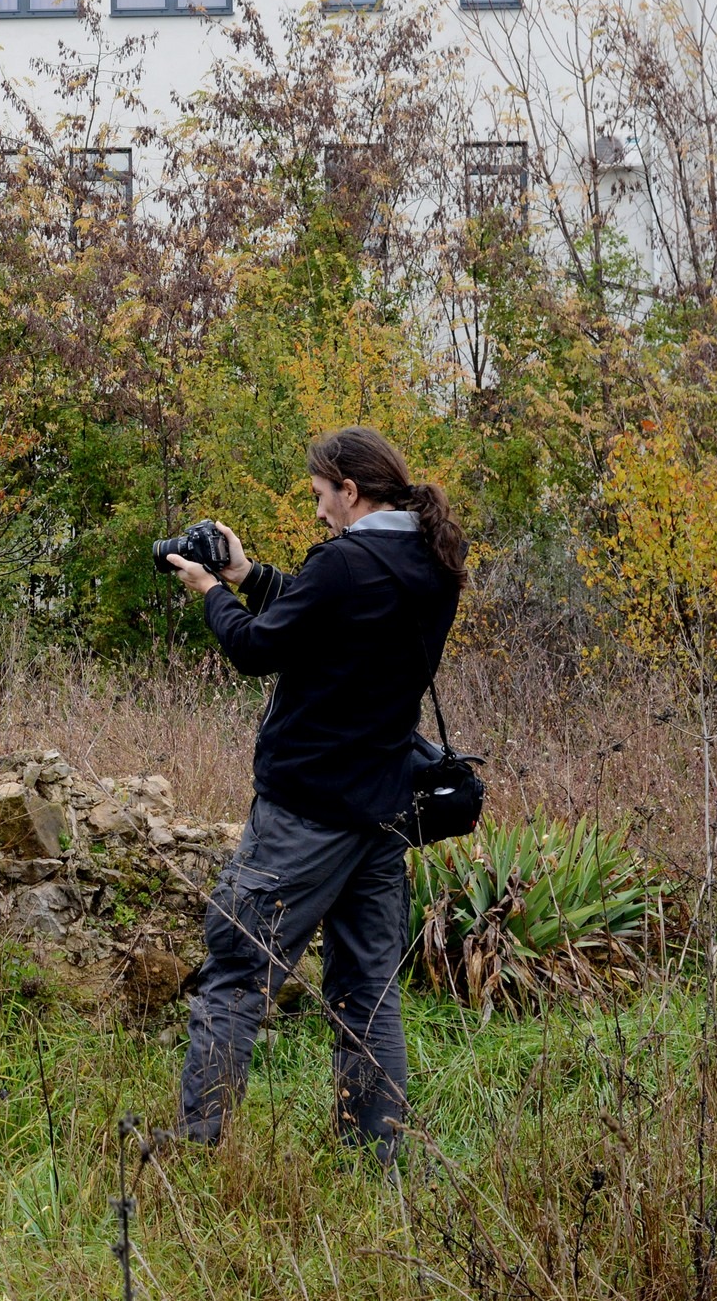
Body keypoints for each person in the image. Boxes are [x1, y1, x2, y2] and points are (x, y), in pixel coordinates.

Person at [159, 426, 466, 1162]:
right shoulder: (432, 563)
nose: (320, 512)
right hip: (384, 809)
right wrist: (248, 574)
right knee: (366, 993)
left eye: (322, 497)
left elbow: (257, 649)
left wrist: (209, 593)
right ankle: (374, 1156)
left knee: (237, 971)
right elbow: (327, 620)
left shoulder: (344, 562)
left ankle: (196, 1150)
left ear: (351, 491)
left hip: (306, 813)